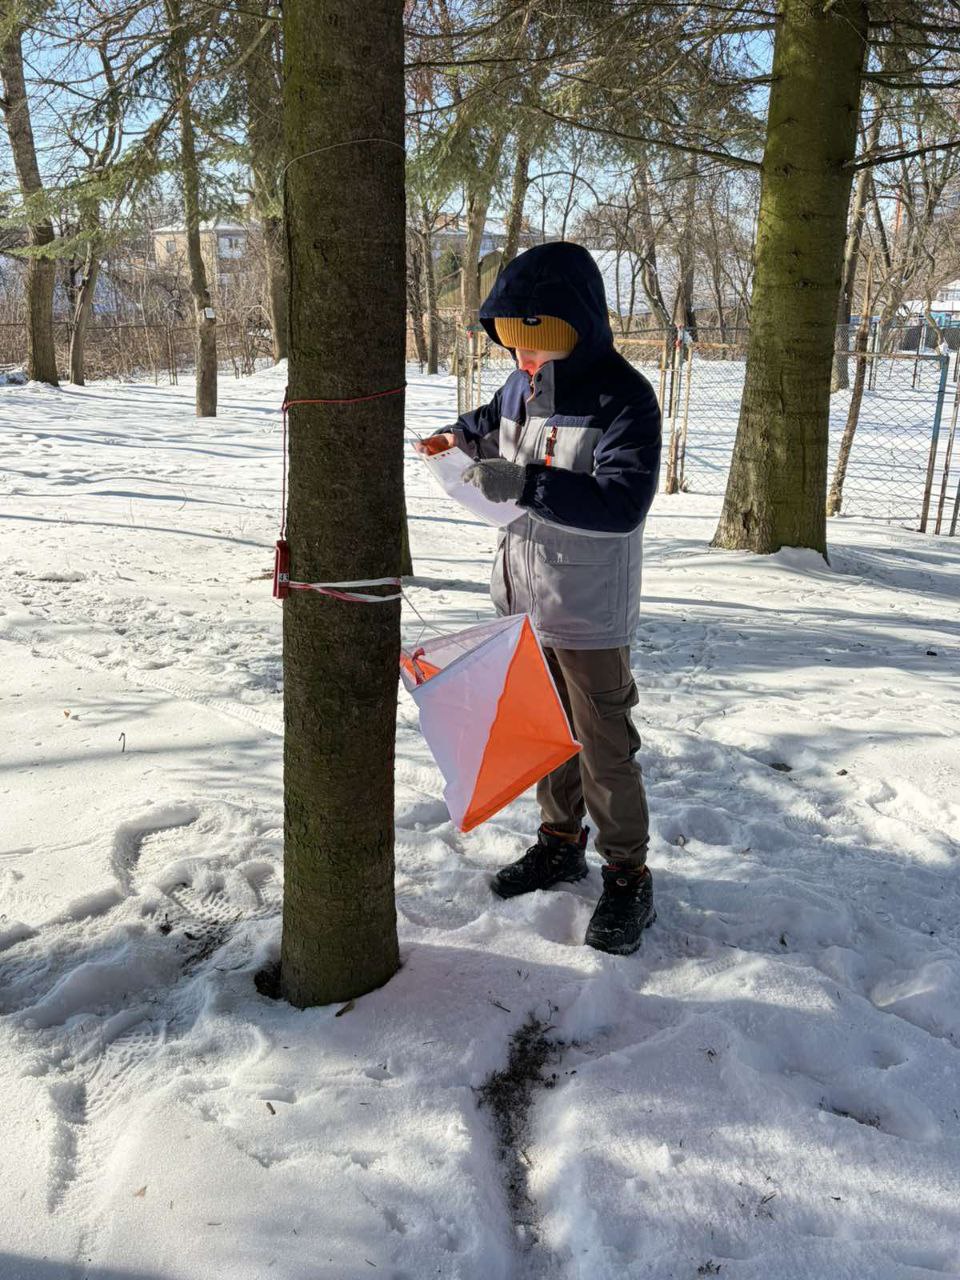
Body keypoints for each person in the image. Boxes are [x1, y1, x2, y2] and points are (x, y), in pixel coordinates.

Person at [416, 241, 662, 955]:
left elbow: (622, 503)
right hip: (524, 602)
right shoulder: (520, 388)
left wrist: (526, 484)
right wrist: (452, 441)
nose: (521, 358)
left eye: (534, 343)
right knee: (545, 732)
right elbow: (484, 425)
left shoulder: (622, 398)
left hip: (588, 609)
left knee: (604, 748)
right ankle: (559, 842)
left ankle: (628, 876)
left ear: (576, 329)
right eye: (511, 344)